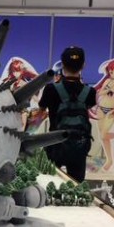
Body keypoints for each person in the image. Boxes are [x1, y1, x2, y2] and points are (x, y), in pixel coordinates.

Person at [37, 46, 96, 182]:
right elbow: (89, 106)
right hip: (79, 146)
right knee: (76, 185)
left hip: (55, 144)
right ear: (83, 65)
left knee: (49, 182)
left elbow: (41, 110)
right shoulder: (90, 92)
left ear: (62, 64)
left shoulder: (51, 89)